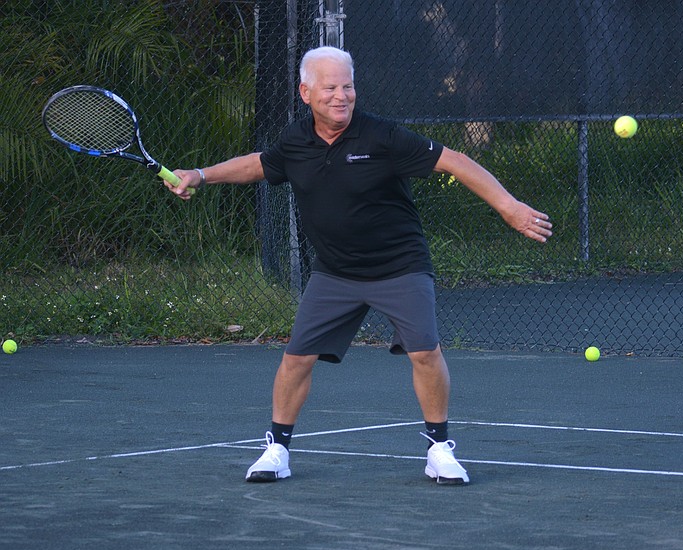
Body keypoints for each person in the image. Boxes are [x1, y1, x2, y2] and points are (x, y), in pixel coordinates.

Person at [165, 46, 553, 485]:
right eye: (330, 88)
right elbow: (260, 165)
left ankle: (439, 449)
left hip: (400, 267)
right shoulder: (296, 140)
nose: (341, 96)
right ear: (306, 92)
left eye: (347, 86)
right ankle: (276, 449)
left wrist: (509, 206)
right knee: (296, 359)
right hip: (334, 273)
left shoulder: (383, 137)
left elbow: (456, 161)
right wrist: (200, 174)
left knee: (425, 352)